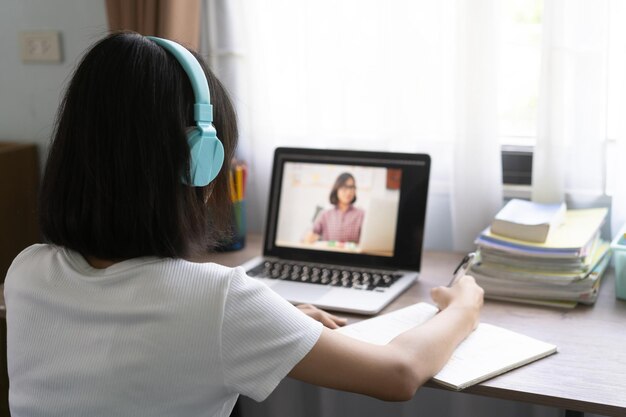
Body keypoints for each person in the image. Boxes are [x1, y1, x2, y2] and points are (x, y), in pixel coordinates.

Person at [4, 32, 484, 417]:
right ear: (200, 164)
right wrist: (463, 306)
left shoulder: (24, 272)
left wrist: (274, 322)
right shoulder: (218, 300)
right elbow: (397, 375)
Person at [304, 172, 365, 244]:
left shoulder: (362, 214)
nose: (349, 192)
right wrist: (310, 237)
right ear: (336, 189)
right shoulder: (325, 214)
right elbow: (310, 234)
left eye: (352, 187)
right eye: (344, 187)